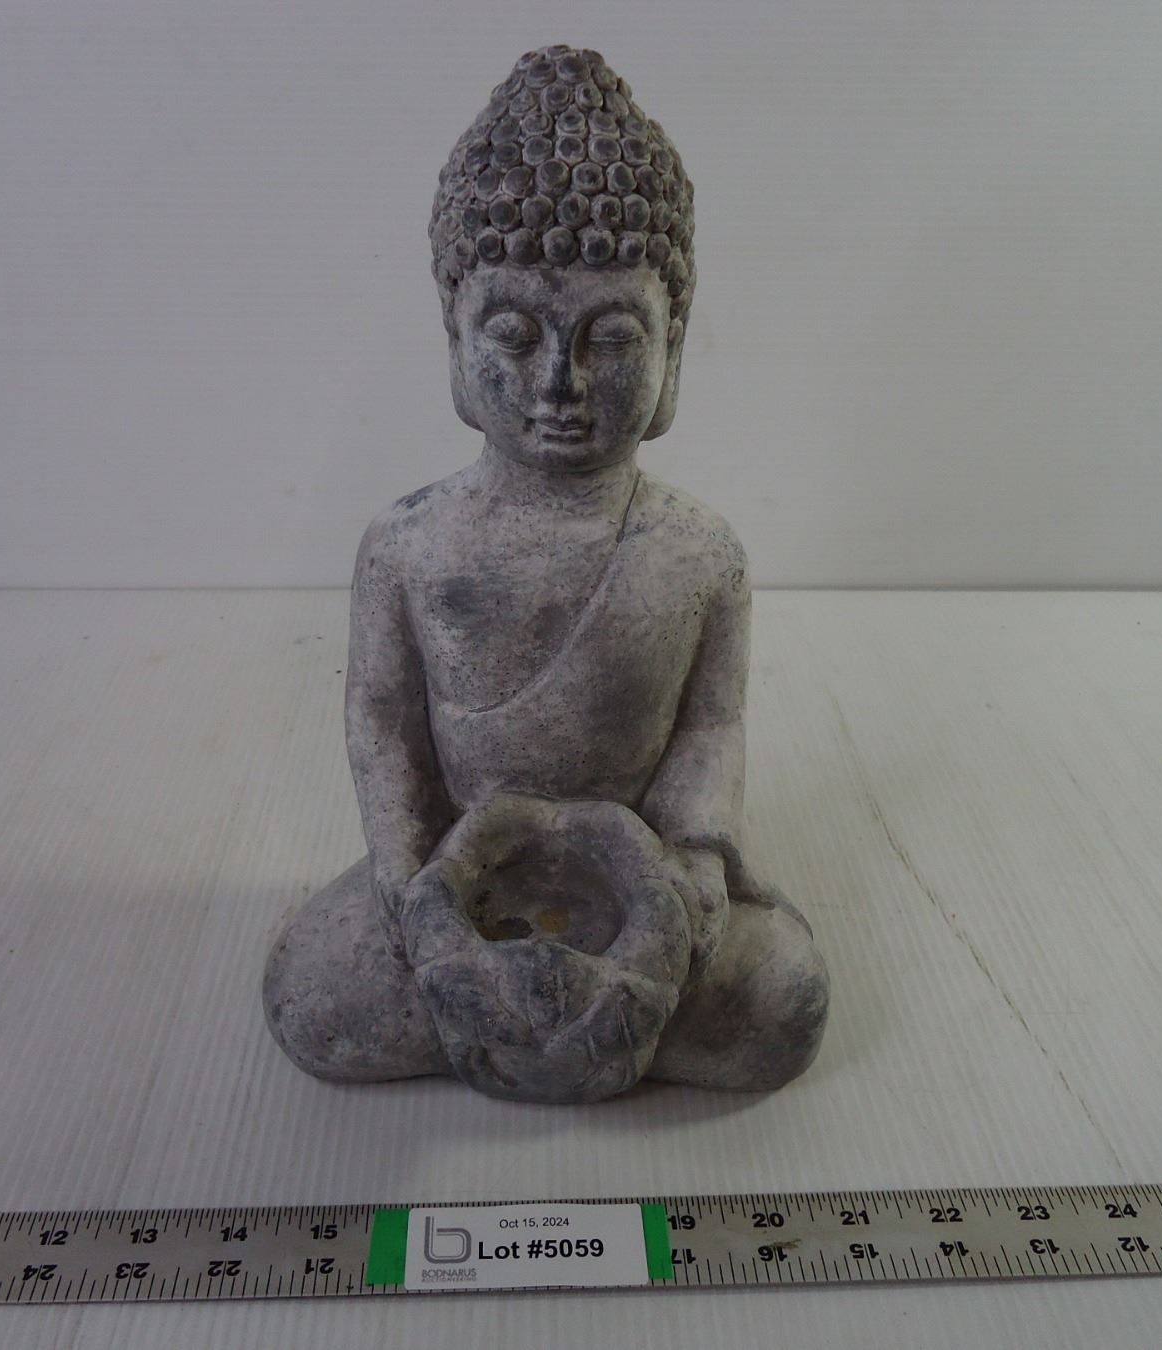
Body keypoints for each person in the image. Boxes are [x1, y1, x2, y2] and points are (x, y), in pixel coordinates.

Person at [263, 46, 827, 1100]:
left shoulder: (701, 555)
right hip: (458, 875)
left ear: (673, 351)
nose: (559, 383)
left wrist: (699, 860)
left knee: (777, 999)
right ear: (454, 342)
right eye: (514, 335)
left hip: (643, 881)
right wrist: (404, 867)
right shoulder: (409, 546)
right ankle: (532, 1016)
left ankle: (561, 1018)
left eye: (610, 338)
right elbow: (381, 719)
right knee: (312, 994)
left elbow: (711, 728)